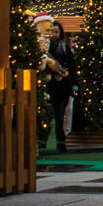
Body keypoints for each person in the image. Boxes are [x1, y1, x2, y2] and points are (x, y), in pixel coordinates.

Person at [35, 13, 77, 153]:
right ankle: (42, 140)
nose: (53, 35)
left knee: (60, 114)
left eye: (56, 32)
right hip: (47, 84)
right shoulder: (42, 46)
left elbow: (72, 65)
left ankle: (61, 141)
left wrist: (73, 83)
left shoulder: (64, 47)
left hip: (61, 86)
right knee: (45, 112)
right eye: (51, 31)